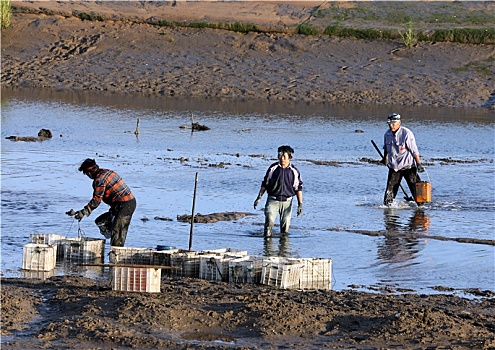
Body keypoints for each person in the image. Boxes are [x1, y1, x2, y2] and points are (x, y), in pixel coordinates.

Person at [67, 158, 136, 247]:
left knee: (117, 234)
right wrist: (81, 211)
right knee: (101, 221)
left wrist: (84, 212)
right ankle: (113, 234)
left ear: (88, 173)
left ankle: (116, 253)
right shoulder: (106, 171)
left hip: (125, 205)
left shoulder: (99, 180)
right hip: (120, 205)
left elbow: (96, 200)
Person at [253, 145, 303, 237]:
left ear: (289, 158)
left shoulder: (294, 171)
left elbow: (298, 188)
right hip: (272, 201)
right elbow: (265, 184)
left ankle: (283, 250)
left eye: (284, 156)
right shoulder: (273, 168)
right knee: (268, 225)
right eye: (280, 156)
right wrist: (259, 198)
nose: (282, 158)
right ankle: (268, 248)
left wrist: (300, 204)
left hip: (287, 202)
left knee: (285, 230)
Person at [382, 113, 425, 206]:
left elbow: (414, 150)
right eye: (389, 124)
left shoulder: (406, 133)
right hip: (394, 167)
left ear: (399, 123)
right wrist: (384, 158)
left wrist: (418, 164)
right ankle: (388, 209)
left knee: (417, 191)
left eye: (393, 123)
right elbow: (386, 148)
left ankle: (421, 207)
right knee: (389, 194)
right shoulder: (387, 134)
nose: (391, 126)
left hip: (408, 166)